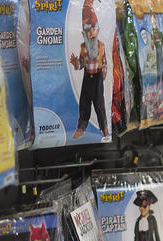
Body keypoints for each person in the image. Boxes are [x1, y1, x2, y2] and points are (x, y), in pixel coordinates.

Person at [70, 0, 109, 139]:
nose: (90, 33)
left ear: (97, 30)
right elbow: (81, 64)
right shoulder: (83, 48)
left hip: (97, 77)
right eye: (87, 31)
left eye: (93, 29)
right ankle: (81, 128)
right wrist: (76, 64)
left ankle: (104, 129)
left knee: (99, 105)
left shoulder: (101, 46)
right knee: (84, 103)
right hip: (87, 77)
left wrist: (104, 71)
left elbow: (104, 60)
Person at [148, 9, 163, 99]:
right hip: (155, 56)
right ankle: (157, 93)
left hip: (161, 56)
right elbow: (151, 46)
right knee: (157, 74)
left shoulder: (159, 32)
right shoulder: (151, 32)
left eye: (154, 19)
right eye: (152, 19)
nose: (154, 21)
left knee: (162, 73)